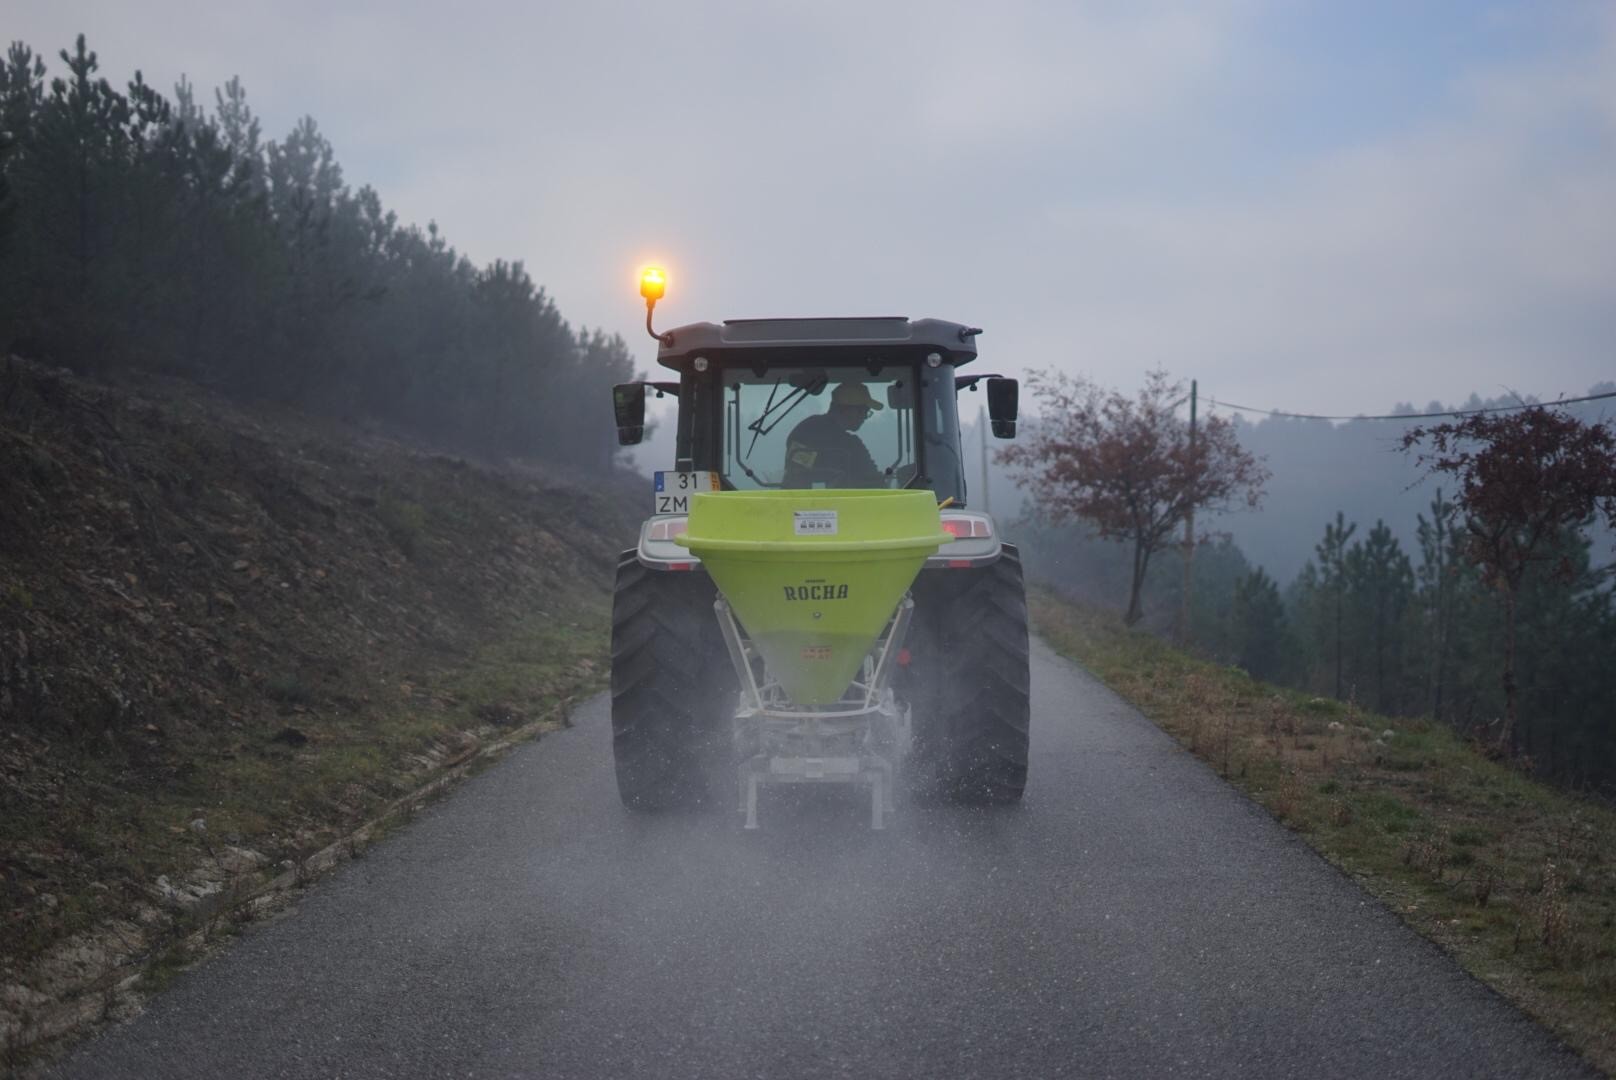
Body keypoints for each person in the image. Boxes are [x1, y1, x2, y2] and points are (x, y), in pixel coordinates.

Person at [782, 382, 887, 488]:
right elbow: (875, 481)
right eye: (865, 411)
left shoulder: (806, 430)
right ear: (850, 410)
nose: (865, 417)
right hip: (823, 502)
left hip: (800, 502)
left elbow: (797, 474)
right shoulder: (851, 445)